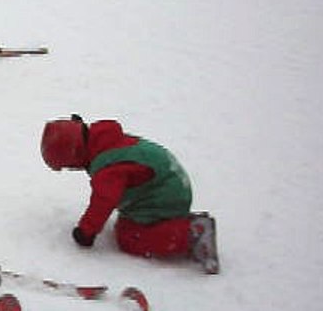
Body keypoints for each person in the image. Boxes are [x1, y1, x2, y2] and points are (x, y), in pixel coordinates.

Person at [40, 115, 219, 273]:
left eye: (70, 166)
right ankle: (177, 223)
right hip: (167, 182)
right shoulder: (104, 141)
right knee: (125, 224)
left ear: (76, 154)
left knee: (130, 238)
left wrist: (86, 231)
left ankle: (191, 233)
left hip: (163, 194)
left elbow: (104, 201)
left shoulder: (108, 169)